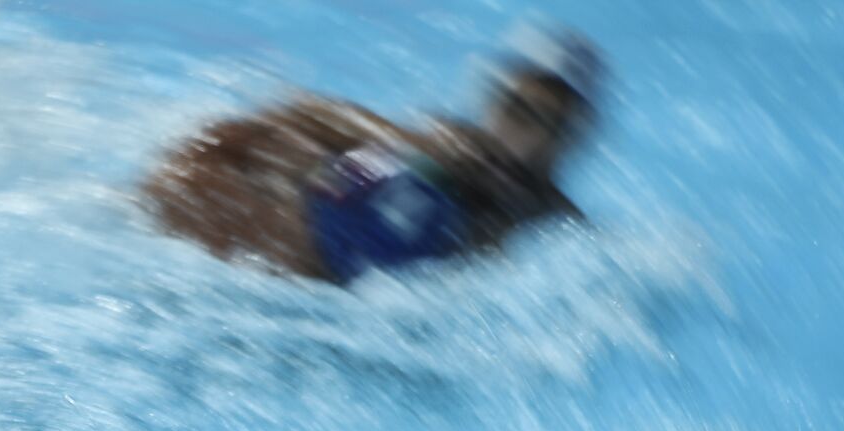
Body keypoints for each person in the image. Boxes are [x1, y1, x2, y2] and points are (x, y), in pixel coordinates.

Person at [142, 22, 603, 284]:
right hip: (292, 258)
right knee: (280, 159)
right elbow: (304, 113)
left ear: (574, 137)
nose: (528, 139)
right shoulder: (437, 148)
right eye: (517, 110)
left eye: (553, 124)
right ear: (491, 100)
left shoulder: (556, 225)